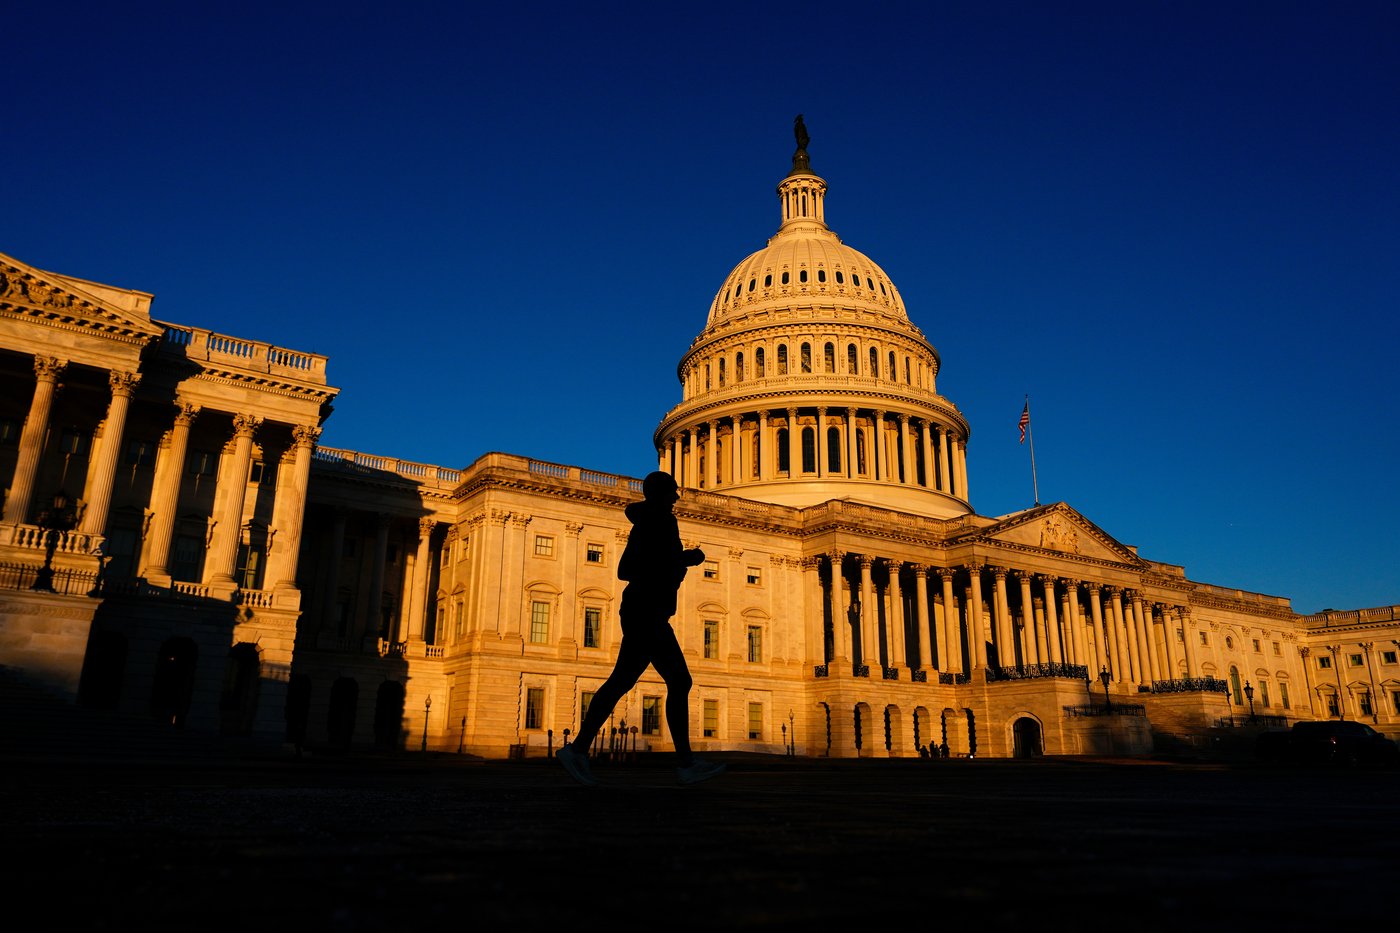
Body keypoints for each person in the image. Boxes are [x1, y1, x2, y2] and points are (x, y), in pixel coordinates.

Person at [557, 471, 726, 786]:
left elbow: (642, 565)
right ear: (661, 494)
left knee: (623, 682)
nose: (677, 497)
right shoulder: (655, 523)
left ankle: (578, 749)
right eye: (672, 492)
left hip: (647, 612)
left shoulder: (654, 523)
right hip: (645, 612)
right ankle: (686, 764)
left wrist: (676, 560)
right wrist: (680, 559)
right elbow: (626, 569)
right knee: (678, 680)